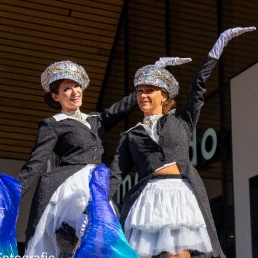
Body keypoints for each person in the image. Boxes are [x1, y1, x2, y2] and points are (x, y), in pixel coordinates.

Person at [109, 26, 256, 258]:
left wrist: (216, 50)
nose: (143, 95)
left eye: (150, 90)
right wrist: (96, 203)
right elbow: (115, 174)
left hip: (181, 192)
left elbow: (198, 86)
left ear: (164, 95)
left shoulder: (182, 120)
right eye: (139, 91)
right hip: (150, 197)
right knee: (158, 254)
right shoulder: (130, 135)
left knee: (181, 253)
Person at [17, 60, 139, 257]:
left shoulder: (96, 119)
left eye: (77, 86)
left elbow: (124, 106)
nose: (75, 92)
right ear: (55, 96)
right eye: (67, 89)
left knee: (100, 242)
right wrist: (13, 192)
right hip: (71, 184)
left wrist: (147, 81)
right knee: (69, 239)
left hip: (98, 184)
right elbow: (35, 162)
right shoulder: (53, 124)